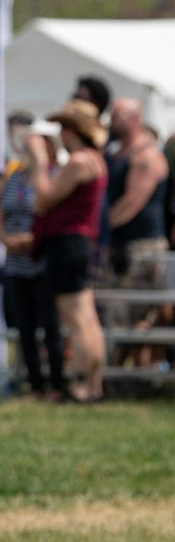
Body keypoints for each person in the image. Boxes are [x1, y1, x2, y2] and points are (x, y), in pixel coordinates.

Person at [30, 100, 108, 403]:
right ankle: (94, 384)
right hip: (82, 243)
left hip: (67, 244)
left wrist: (38, 163)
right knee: (87, 317)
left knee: (75, 319)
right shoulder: (96, 160)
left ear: (72, 130)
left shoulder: (78, 162)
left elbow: (46, 197)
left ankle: (83, 386)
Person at [0, 112, 65, 399]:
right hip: (16, 264)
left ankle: (57, 383)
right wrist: (6, 239)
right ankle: (35, 384)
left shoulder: (57, 173)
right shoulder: (15, 177)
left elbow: (49, 209)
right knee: (23, 327)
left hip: (44, 262)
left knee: (50, 326)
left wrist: (31, 238)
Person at [103, 98, 171, 366]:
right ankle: (121, 375)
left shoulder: (147, 156)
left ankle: (137, 376)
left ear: (133, 119)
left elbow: (132, 202)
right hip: (119, 245)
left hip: (142, 247)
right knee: (119, 315)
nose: (111, 121)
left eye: (116, 115)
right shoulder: (115, 153)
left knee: (140, 316)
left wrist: (97, 229)